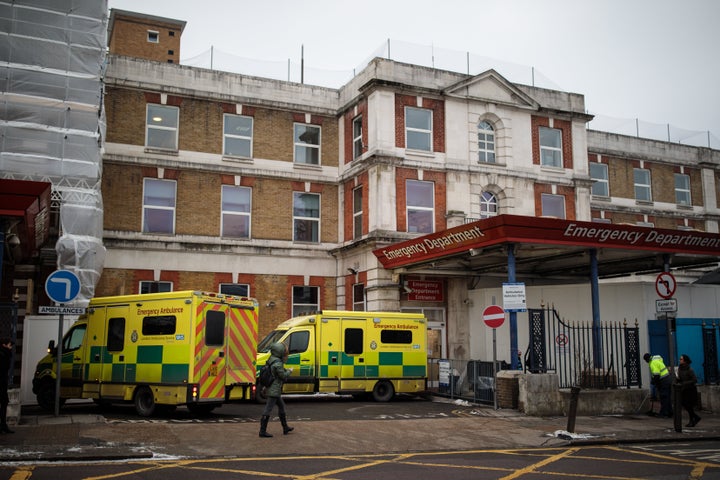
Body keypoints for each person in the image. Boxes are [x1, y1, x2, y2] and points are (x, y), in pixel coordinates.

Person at [259, 342, 294, 438]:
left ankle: (285, 427)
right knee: (268, 409)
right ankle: (262, 431)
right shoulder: (278, 363)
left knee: (281, 406)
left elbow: (279, 372)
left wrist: (285, 370)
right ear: (279, 352)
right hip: (274, 390)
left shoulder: (272, 359)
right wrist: (290, 371)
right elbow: (282, 375)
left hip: (273, 388)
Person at [643, 352, 673, 418]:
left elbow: (656, 375)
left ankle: (663, 413)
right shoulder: (657, 359)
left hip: (663, 381)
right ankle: (670, 412)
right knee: (667, 397)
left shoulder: (652, 363)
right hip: (667, 379)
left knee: (664, 397)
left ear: (647, 359)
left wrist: (653, 382)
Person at [676, 354, 701, 427]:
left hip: (690, 389)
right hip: (684, 389)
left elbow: (694, 380)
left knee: (689, 405)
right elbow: (680, 378)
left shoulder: (690, 369)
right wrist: (678, 380)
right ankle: (695, 417)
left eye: (681, 359)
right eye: (680, 359)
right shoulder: (679, 369)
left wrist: (684, 382)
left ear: (685, 361)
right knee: (684, 404)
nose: (680, 360)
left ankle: (692, 420)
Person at [0, 338, 14, 434]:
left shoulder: (5, 354)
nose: (11, 347)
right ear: (4, 345)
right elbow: (5, 367)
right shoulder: (3, 355)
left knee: (4, 403)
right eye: (9, 345)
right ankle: (3, 425)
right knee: (3, 403)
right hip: (1, 383)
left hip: (2, 383)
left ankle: (3, 425)